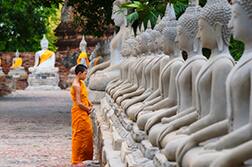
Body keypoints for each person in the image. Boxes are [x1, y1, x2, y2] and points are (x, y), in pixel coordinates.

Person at [70, 64, 93, 166]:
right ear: (79, 73)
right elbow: (79, 102)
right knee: (79, 135)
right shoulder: (76, 85)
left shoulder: (81, 83)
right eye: (85, 73)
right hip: (79, 112)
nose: (86, 76)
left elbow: (85, 97)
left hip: (83, 111)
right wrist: (88, 109)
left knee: (87, 133)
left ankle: (84, 157)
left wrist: (89, 104)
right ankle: (77, 159)